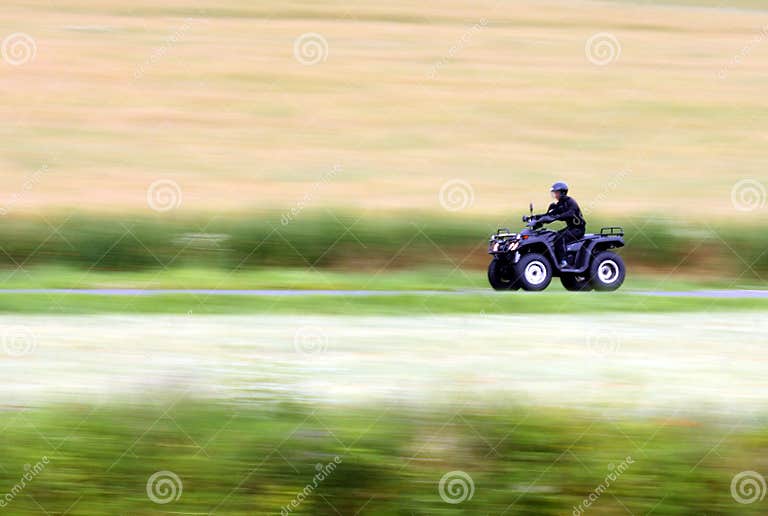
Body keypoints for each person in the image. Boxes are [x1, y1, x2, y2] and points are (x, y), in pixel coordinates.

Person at [533, 181, 586, 267]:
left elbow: (570, 214)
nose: (555, 195)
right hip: (571, 227)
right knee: (554, 236)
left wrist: (557, 217)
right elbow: (550, 214)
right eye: (554, 193)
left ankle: (564, 261)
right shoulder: (560, 203)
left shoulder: (570, 202)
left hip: (578, 229)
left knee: (560, 238)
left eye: (556, 192)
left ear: (563, 192)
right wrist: (535, 217)